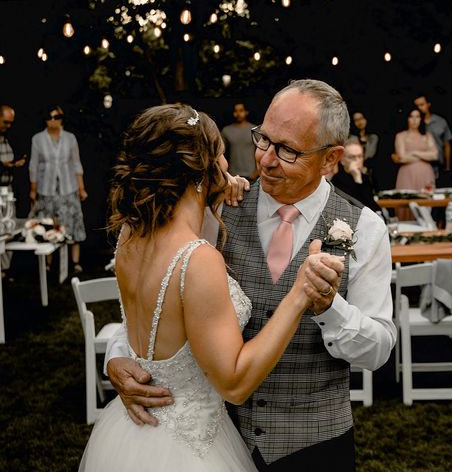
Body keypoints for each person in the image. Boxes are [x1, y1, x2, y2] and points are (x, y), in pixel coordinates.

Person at [105, 79, 396, 472]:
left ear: (331, 160)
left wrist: (330, 308)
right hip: (217, 443)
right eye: (264, 139)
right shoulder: (217, 209)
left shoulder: (366, 228)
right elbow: (158, 296)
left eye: (288, 150)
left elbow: (378, 349)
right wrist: (118, 356)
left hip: (316, 447)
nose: (266, 160)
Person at [28, 105, 87, 273]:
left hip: (68, 187)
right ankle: (47, 264)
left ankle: (75, 262)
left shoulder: (70, 138)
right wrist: (33, 189)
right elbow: (33, 165)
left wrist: (81, 188)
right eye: (50, 117)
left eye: (57, 117)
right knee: (49, 223)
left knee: (72, 223)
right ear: (45, 119)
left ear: (62, 119)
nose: (53, 121)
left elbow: (76, 163)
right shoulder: (38, 139)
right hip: (47, 189)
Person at [392, 107, 437, 220]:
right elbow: (402, 158)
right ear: (407, 119)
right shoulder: (401, 136)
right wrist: (424, 155)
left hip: (426, 175)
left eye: (417, 117)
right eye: (412, 116)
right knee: (405, 203)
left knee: (426, 203)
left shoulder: (427, 136)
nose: (415, 120)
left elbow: (435, 155)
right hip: (406, 175)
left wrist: (414, 152)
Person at [0, 105, 25, 274]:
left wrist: (15, 164)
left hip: (7, 189)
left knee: (10, 228)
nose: (8, 126)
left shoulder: (6, 139)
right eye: (5, 122)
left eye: (10, 123)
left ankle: (5, 270)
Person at [330, 137, 380, 212]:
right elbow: (358, 208)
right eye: (352, 157)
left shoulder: (364, 177)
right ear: (342, 160)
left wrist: (358, 180)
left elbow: (372, 206)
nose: (357, 160)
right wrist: (357, 179)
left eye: (360, 156)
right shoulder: (337, 181)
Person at [413, 92, 452, 175]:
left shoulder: (440, 121)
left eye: (422, 104)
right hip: (417, 164)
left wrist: (448, 166)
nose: (419, 108)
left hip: (437, 165)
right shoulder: (412, 123)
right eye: (417, 106)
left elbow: (447, 144)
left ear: (428, 104)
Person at [221, 102, 258, 180]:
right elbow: (219, 153)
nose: (238, 113)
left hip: (252, 175)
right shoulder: (226, 131)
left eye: (241, 110)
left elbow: (263, 151)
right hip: (233, 176)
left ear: (246, 112)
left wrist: (257, 172)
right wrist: (225, 172)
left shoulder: (254, 130)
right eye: (235, 111)